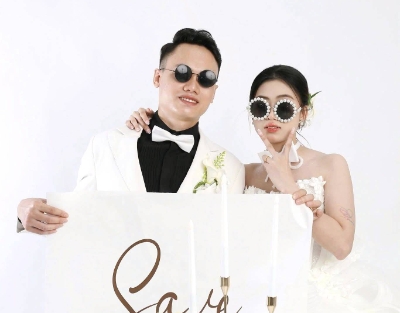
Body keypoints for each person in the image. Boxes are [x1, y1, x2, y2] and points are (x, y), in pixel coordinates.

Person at [127, 64, 400, 313]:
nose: (271, 116)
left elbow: (342, 245)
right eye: (261, 106)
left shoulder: (330, 165)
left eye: (284, 107)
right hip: (253, 309)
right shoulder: (243, 172)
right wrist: (146, 126)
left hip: (316, 309)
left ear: (303, 112)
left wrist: (289, 184)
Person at [16, 30, 320, 234]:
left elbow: (228, 247)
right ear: (157, 77)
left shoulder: (229, 167)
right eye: (182, 73)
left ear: (214, 92)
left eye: (205, 78)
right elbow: (76, 219)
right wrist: (23, 212)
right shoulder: (105, 146)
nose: (192, 85)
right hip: (111, 300)